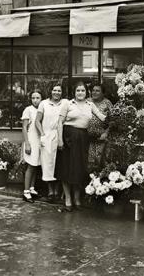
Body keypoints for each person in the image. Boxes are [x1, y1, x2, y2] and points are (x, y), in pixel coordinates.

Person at [57, 82, 106, 211]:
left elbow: (102, 117)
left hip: (83, 139)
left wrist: (117, 117)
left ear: (86, 92)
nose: (80, 93)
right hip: (68, 138)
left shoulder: (90, 105)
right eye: (78, 90)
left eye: (82, 90)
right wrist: (60, 141)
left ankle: (77, 199)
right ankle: (68, 199)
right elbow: (59, 123)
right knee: (67, 169)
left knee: (79, 168)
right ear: (74, 92)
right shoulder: (67, 104)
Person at [37, 84, 66, 202]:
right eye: (54, 90)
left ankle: (57, 191)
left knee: (58, 164)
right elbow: (37, 121)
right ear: (50, 91)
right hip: (47, 136)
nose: (57, 92)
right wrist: (42, 135)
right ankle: (50, 191)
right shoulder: (43, 103)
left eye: (59, 90)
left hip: (60, 136)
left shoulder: (65, 103)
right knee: (47, 164)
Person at [21, 90, 44, 202]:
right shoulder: (28, 110)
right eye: (33, 98)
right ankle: (26, 192)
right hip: (31, 140)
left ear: (42, 99)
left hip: (40, 141)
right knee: (30, 166)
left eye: (38, 98)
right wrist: (27, 144)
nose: (35, 100)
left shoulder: (42, 109)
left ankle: (32, 188)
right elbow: (24, 128)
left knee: (36, 165)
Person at [87, 83, 113, 171]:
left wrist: (106, 133)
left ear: (103, 93)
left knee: (101, 162)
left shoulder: (107, 103)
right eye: (93, 90)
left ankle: (100, 182)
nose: (94, 92)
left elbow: (112, 120)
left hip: (102, 139)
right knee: (89, 163)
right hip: (88, 139)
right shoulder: (87, 101)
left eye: (97, 91)